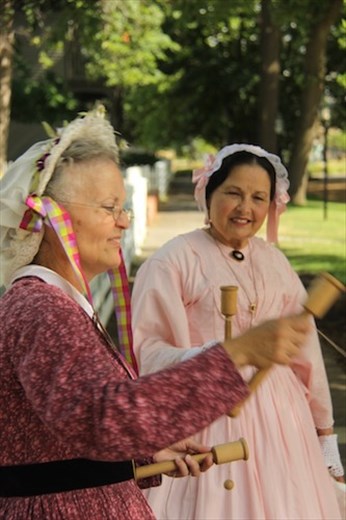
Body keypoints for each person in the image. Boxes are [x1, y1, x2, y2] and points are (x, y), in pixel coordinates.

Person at [0, 114, 311, 520]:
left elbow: (64, 437)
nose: (125, 221)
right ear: (50, 217)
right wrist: (235, 355)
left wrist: (144, 453)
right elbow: (103, 416)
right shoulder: (42, 309)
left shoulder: (53, 304)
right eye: (109, 208)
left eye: (124, 207)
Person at [131, 144, 344, 520]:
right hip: (205, 420)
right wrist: (220, 355)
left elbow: (306, 354)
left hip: (282, 423)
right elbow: (149, 353)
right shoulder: (172, 261)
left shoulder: (275, 262)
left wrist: (324, 431)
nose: (246, 208)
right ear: (209, 193)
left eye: (258, 197)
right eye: (234, 193)